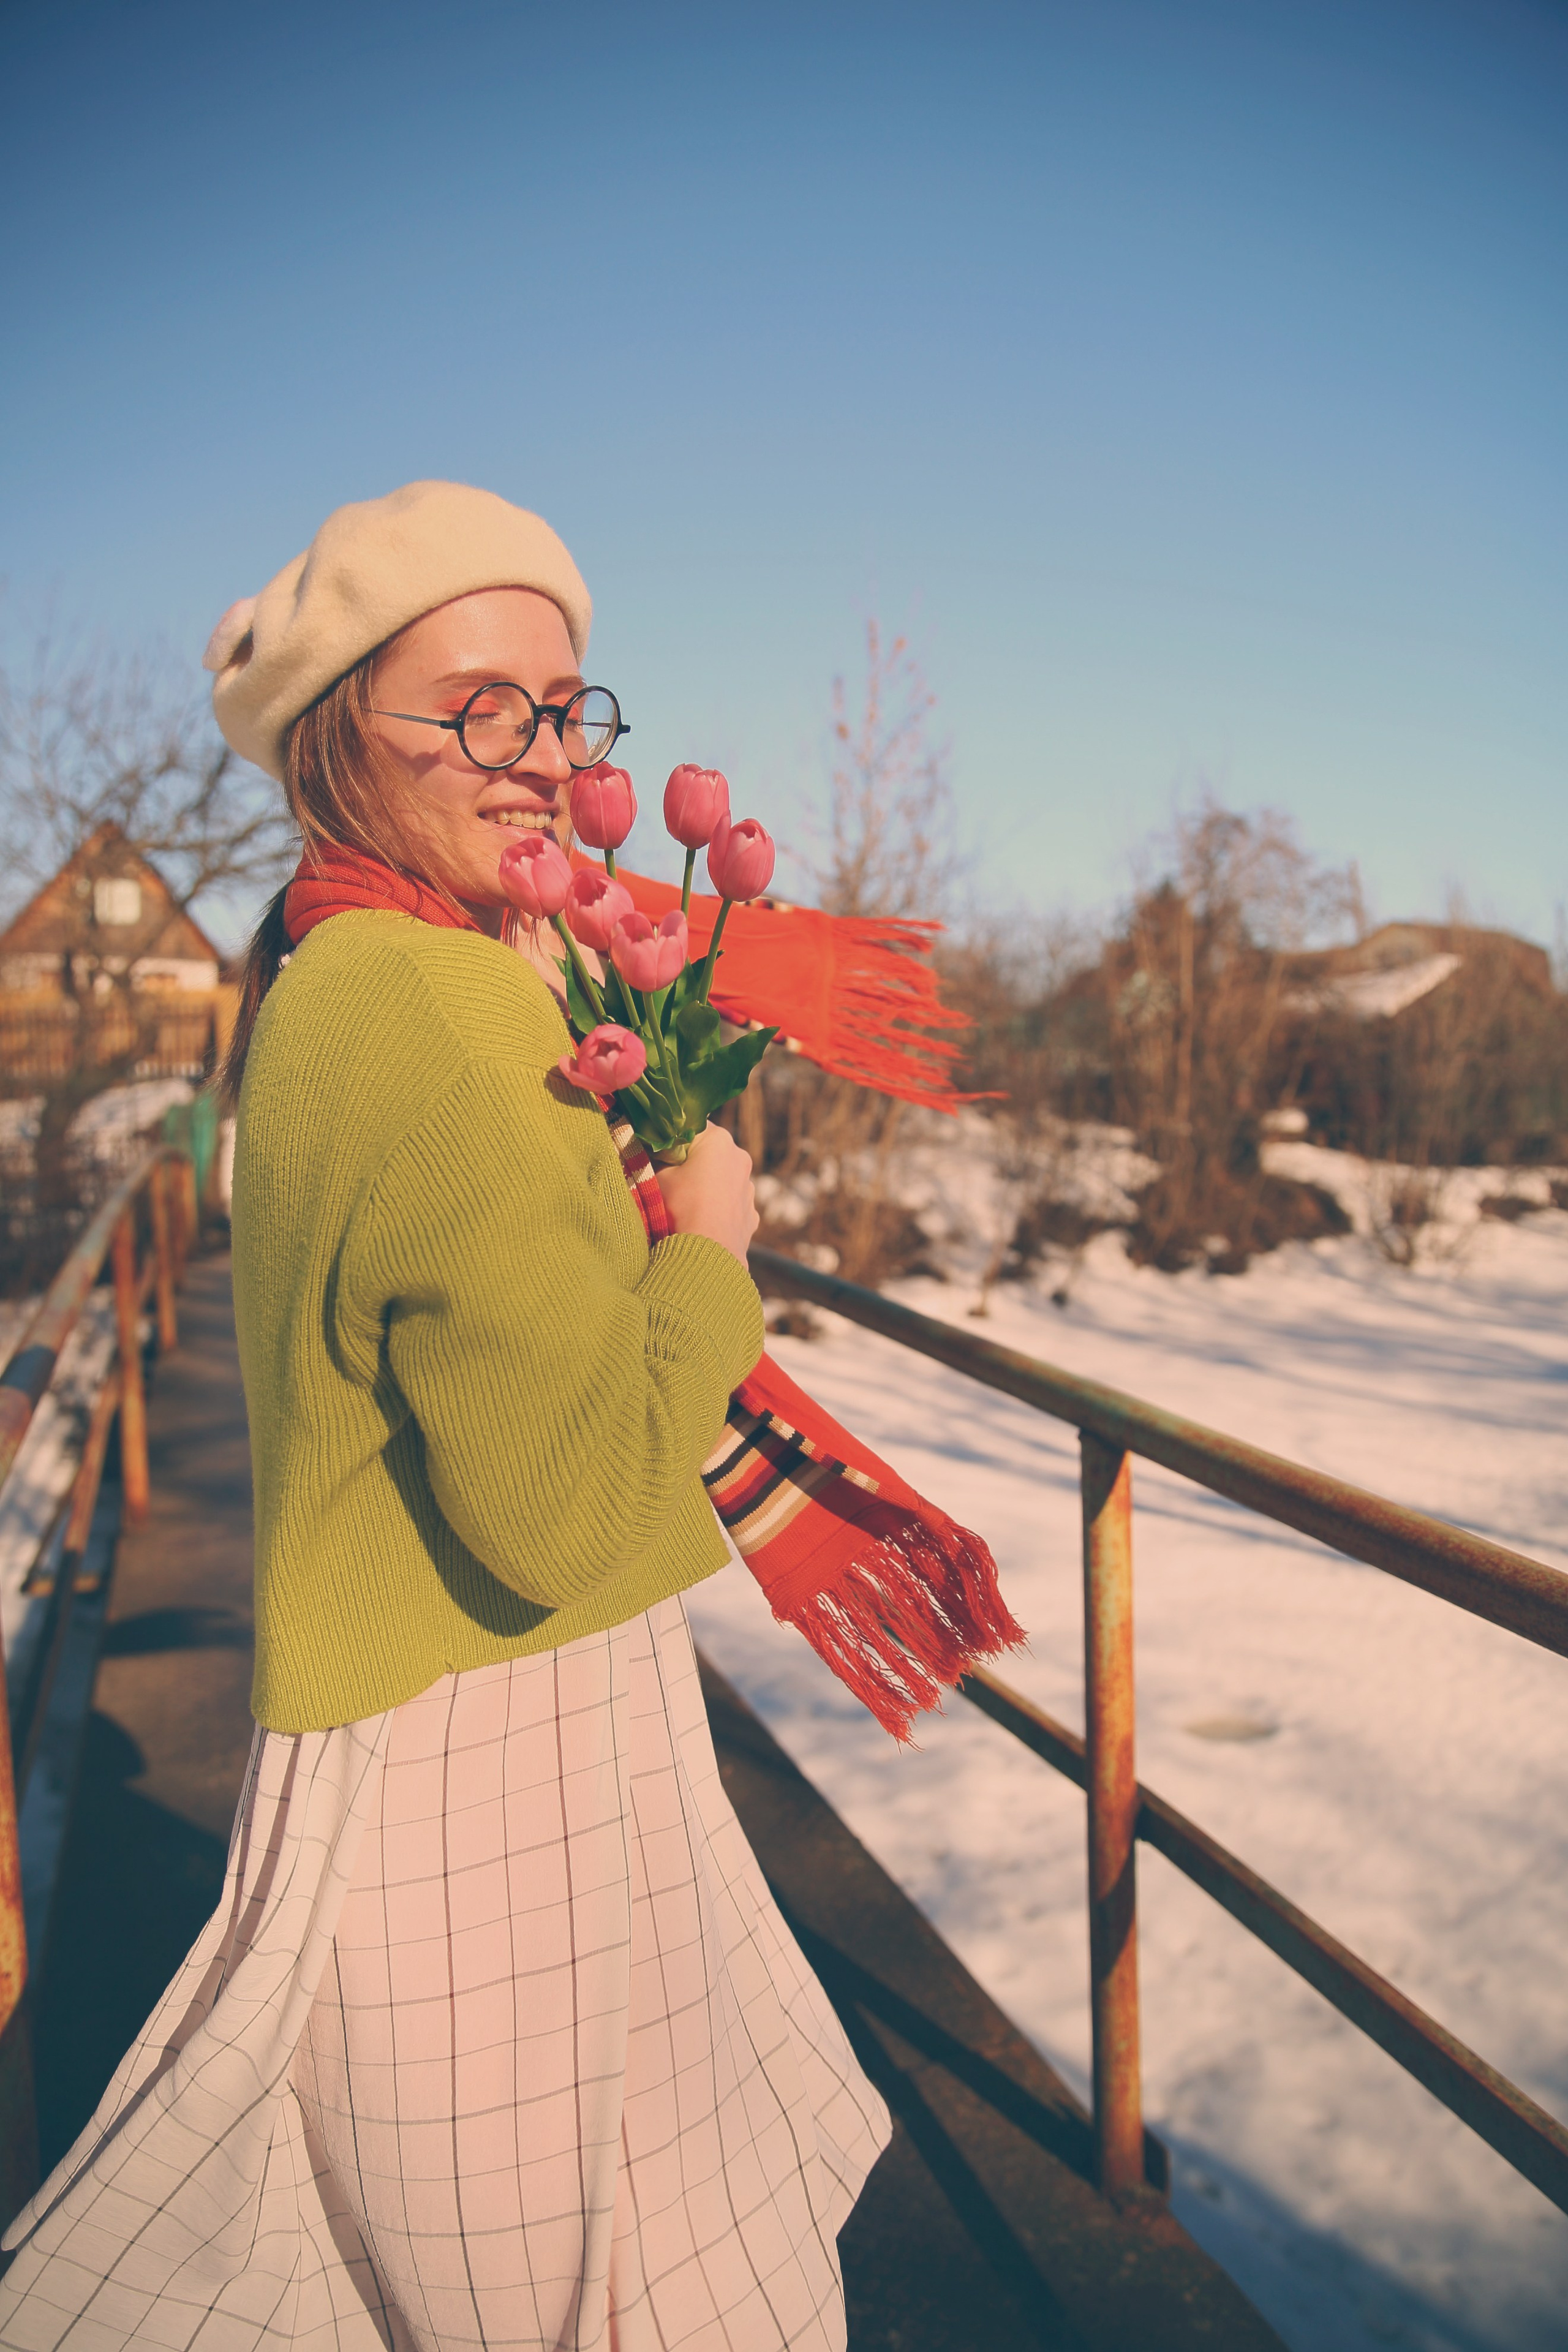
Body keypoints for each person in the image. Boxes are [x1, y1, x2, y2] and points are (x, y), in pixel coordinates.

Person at [0, 481, 891, 2351]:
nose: (543, 759)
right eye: (480, 708)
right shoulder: (425, 1005)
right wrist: (712, 1246)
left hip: (437, 1719)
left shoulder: (363, 972)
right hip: (501, 1742)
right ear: (345, 738)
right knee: (579, 2278)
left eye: (564, 710)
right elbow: (564, 1506)